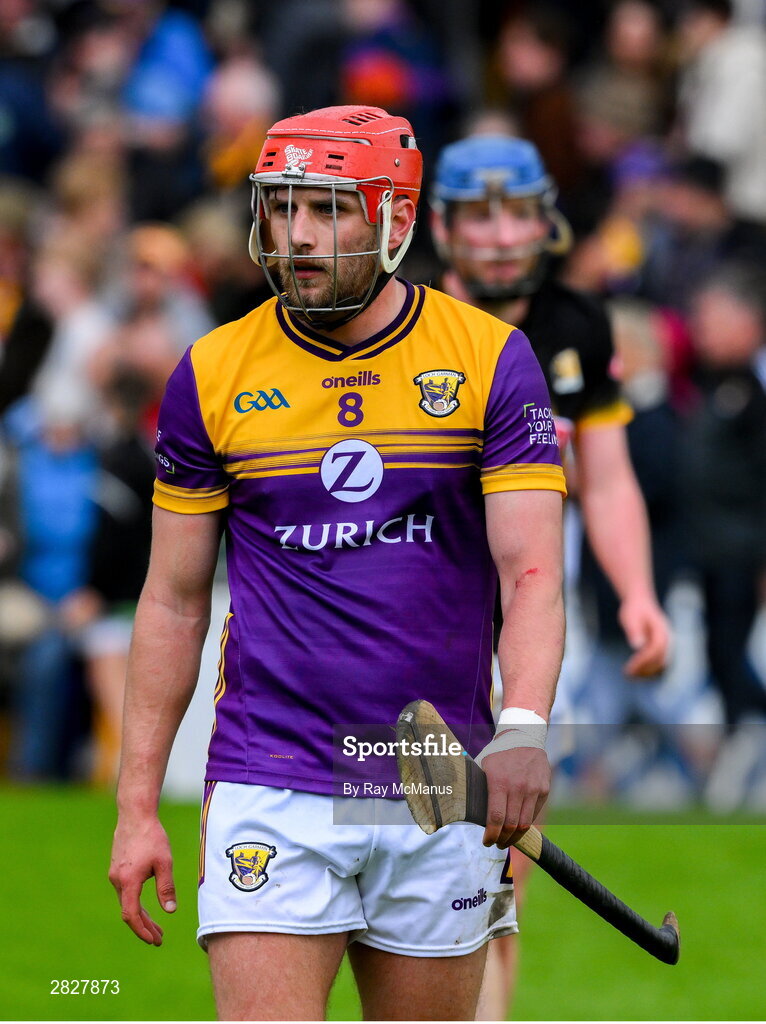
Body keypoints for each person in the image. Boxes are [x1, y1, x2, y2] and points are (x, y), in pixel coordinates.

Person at [109, 105, 568, 1022]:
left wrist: (520, 729)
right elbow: (171, 602)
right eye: (281, 208)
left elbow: (532, 576)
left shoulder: (488, 361)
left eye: (329, 210)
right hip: (268, 773)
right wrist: (135, 803)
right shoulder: (212, 373)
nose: (298, 236)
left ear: (396, 220)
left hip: (433, 777)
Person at [429, 133, 670, 1019]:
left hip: (529, 644)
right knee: (389, 861)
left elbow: (606, 480)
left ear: (548, 222)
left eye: (517, 211)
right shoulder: (402, 320)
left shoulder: (578, 325)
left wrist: (637, 592)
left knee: (498, 866)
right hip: (412, 637)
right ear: (442, 228)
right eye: (479, 215)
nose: (498, 234)